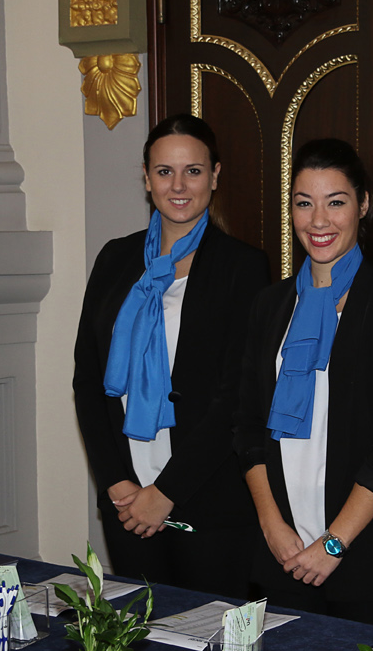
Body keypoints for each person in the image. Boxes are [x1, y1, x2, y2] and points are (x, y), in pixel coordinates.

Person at [235, 138, 373, 628]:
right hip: (283, 557)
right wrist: (272, 526)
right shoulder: (269, 306)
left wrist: (333, 543)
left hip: (369, 563)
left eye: (335, 202)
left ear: (363, 205)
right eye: (304, 203)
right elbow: (248, 428)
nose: (318, 220)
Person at [73, 114, 269, 598]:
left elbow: (237, 398)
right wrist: (116, 482)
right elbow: (88, 380)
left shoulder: (243, 267)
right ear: (146, 178)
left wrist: (165, 493)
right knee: (139, 634)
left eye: (193, 171)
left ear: (215, 176)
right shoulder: (114, 259)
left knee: (208, 637)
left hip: (209, 503)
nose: (178, 186)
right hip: (127, 501)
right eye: (164, 171)